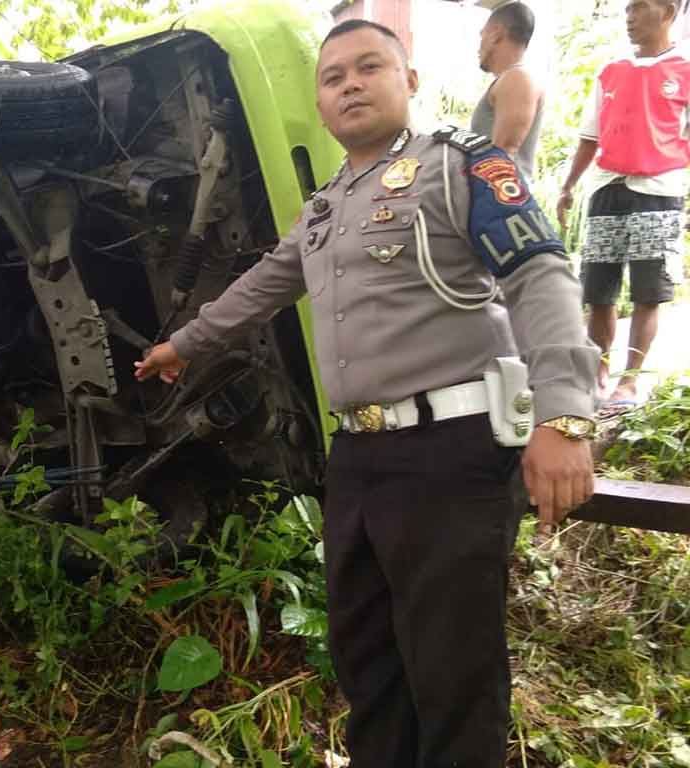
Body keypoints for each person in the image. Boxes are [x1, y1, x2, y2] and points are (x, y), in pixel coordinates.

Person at [137, 19, 598, 768]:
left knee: (453, 670)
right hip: (356, 456)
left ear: (408, 81)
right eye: (333, 76)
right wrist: (181, 346)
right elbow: (263, 286)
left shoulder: (461, 165)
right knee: (367, 657)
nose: (349, 83)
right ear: (320, 105)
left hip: (452, 451)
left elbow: (539, 272)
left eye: (368, 67)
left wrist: (564, 416)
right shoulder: (326, 208)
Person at [557, 0, 688, 408]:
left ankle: (629, 382)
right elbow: (590, 136)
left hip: (659, 189)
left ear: (668, 12)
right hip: (606, 186)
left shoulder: (684, 68)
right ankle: (598, 376)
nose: (629, 16)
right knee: (599, 290)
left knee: (649, 291)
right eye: (627, 8)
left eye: (640, 7)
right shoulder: (611, 70)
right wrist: (569, 185)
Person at [472, 1, 545, 181]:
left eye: (482, 35)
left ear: (496, 34)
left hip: (503, 203)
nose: (478, 47)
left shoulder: (517, 79)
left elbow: (502, 158)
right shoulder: (511, 79)